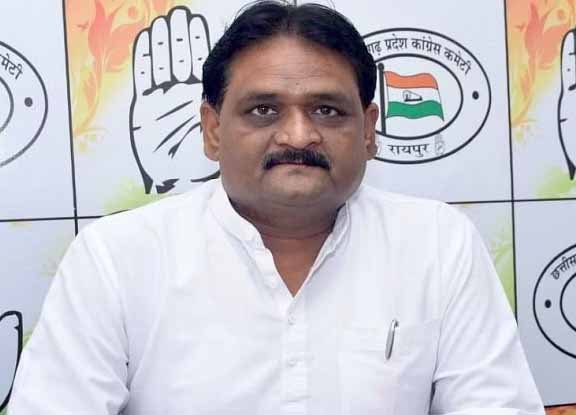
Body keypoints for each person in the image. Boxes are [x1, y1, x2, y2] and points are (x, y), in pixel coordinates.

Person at [8, 1, 545, 414]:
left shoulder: (437, 243)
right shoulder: (116, 257)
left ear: (369, 131)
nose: (298, 135)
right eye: (264, 109)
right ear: (212, 130)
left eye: (327, 110)